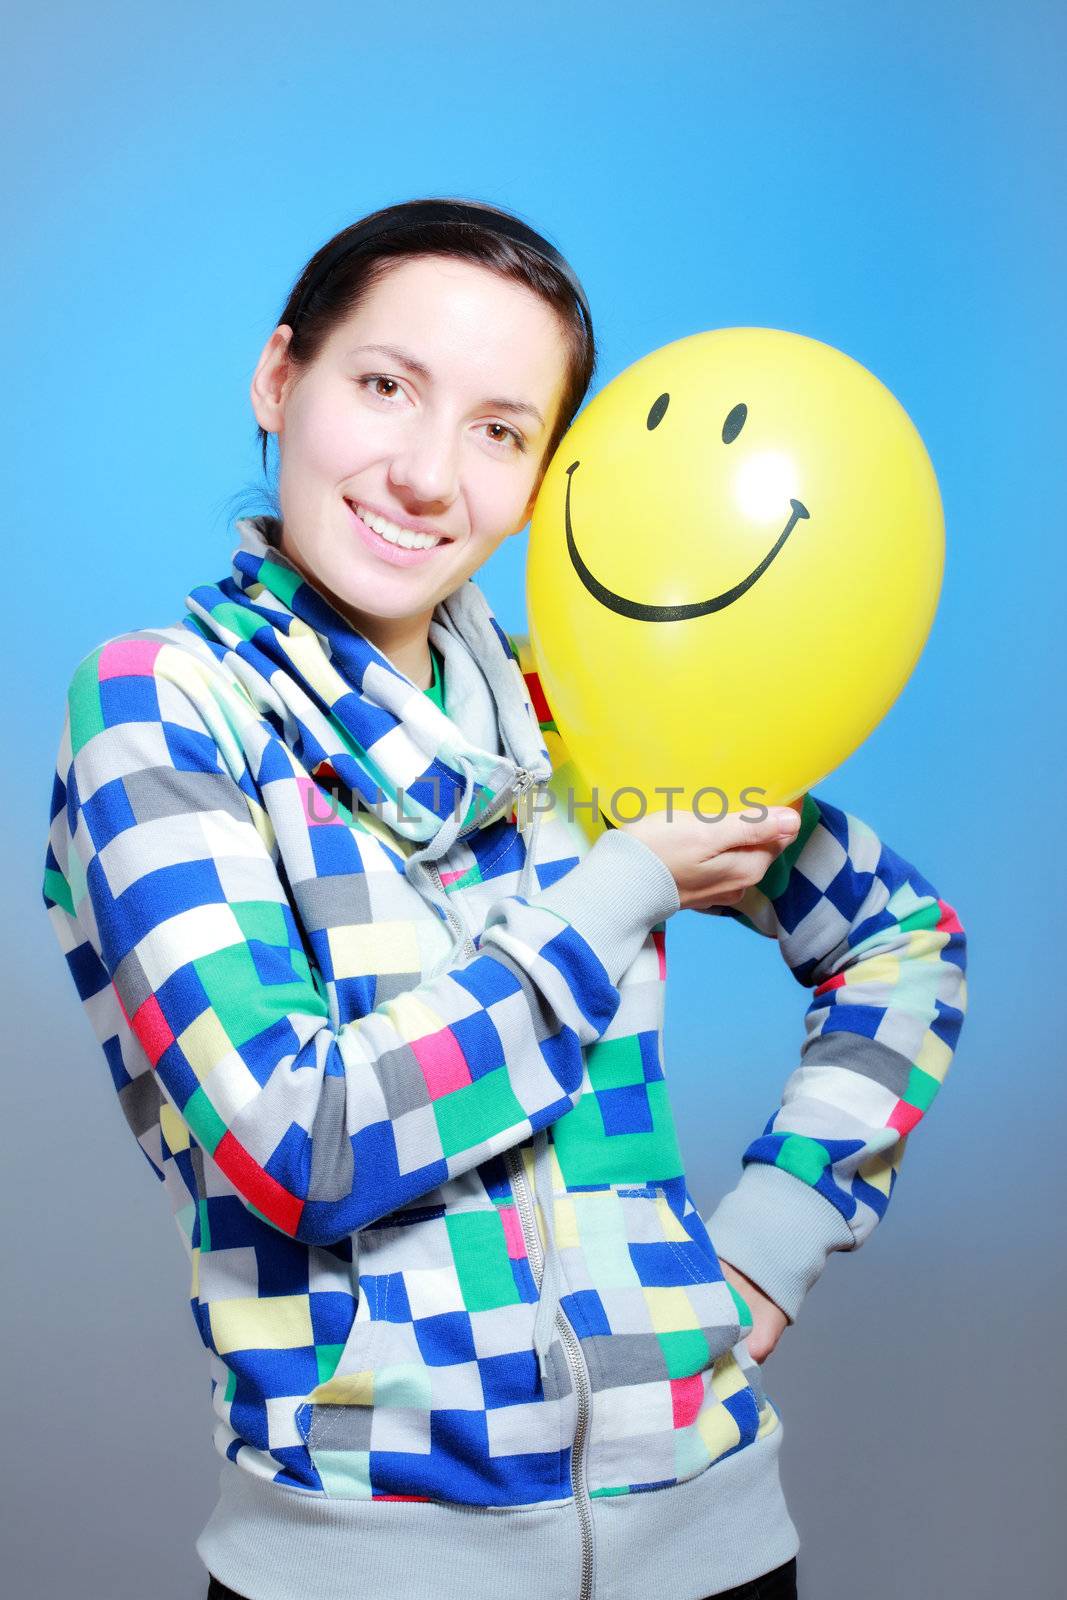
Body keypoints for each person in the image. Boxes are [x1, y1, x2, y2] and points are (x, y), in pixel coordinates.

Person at [41, 197, 968, 1600]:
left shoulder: (587, 713)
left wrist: (776, 1238)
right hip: (363, 1569)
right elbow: (297, 1144)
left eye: (499, 430)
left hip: (715, 1542)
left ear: (543, 474)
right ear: (279, 377)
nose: (425, 475)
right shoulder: (161, 711)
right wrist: (615, 894)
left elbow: (901, 943)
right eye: (384, 386)